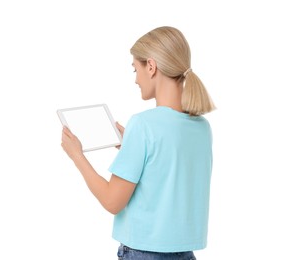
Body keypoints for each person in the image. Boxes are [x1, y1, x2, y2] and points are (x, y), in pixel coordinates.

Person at [61, 26, 215, 260]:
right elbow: (166, 171)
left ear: (151, 66)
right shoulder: (203, 128)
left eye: (136, 69)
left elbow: (112, 201)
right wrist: (132, 147)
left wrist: (77, 156)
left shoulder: (143, 125)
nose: (135, 79)